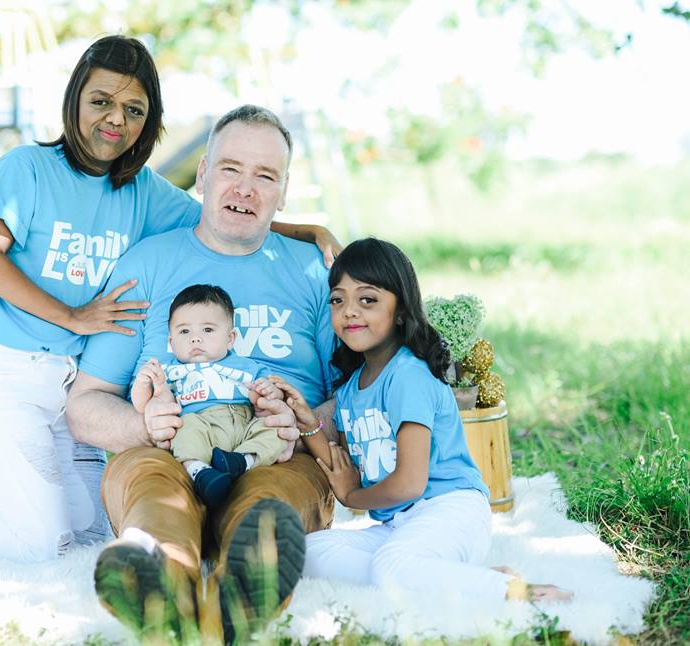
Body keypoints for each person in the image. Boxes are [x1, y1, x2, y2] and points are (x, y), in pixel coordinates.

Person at [0, 36, 339, 563]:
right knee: (43, 541)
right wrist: (74, 316)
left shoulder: (143, 191)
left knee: (90, 526)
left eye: (133, 109)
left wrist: (307, 230)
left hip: (67, 374)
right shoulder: (28, 168)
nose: (115, 119)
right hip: (4, 370)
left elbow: (227, 214)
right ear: (74, 100)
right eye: (100, 102)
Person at [66, 105, 339, 644]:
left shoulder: (315, 272)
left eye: (266, 176)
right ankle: (157, 576)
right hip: (164, 455)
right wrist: (144, 425)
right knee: (150, 487)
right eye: (232, 168)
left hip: (274, 454)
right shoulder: (147, 265)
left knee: (270, 499)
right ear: (204, 173)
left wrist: (304, 421)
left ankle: (247, 579)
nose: (246, 188)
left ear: (284, 193)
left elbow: (359, 393)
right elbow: (85, 403)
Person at [273, 236, 573, 603]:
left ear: (400, 310)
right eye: (338, 299)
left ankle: (517, 591)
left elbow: (410, 483)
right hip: (399, 524)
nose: (349, 310)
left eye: (367, 299)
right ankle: (448, 577)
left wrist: (353, 496)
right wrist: (307, 420)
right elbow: (339, 460)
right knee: (310, 551)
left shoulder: (408, 375)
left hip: (451, 511)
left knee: (391, 568)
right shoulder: (352, 388)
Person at [130, 283, 288, 509]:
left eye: (207, 330)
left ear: (230, 338)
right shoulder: (169, 371)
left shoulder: (246, 366)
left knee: (277, 430)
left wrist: (270, 393)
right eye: (184, 331)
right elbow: (144, 406)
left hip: (244, 425)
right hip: (199, 423)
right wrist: (143, 383)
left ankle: (242, 461)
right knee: (184, 429)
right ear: (171, 342)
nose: (195, 338)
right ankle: (201, 472)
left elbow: (270, 395)